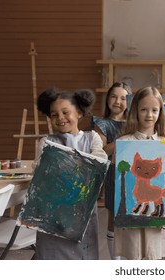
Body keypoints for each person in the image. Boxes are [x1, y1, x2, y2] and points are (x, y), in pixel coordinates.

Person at [34, 88, 108, 260]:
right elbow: (40, 171)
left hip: (81, 212)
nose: (60, 118)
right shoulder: (46, 142)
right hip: (52, 214)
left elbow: (98, 162)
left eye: (65, 112)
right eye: (54, 114)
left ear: (80, 113)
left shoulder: (92, 138)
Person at [114, 86, 165, 260]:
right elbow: (119, 180)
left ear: (160, 112)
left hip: (156, 218)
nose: (149, 115)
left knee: (154, 256)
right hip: (132, 212)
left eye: (154, 110)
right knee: (133, 254)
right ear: (135, 112)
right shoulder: (125, 142)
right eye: (144, 110)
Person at [91, 81, 131, 260]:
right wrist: (122, 138)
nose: (117, 101)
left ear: (129, 102)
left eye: (123, 98)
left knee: (133, 215)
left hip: (133, 173)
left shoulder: (134, 122)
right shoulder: (101, 123)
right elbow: (102, 152)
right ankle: (115, 261)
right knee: (114, 218)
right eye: (114, 96)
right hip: (113, 173)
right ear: (107, 99)